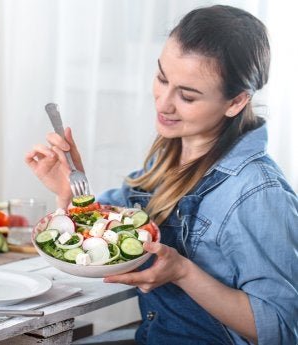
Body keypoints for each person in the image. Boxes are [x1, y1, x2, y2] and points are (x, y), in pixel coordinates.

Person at [25, 5, 297, 345]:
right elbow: (111, 226)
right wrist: (69, 192)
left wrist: (183, 272)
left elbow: (282, 331)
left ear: (236, 101)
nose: (163, 103)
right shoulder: (170, 157)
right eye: (162, 78)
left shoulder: (257, 193)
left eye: (187, 95)